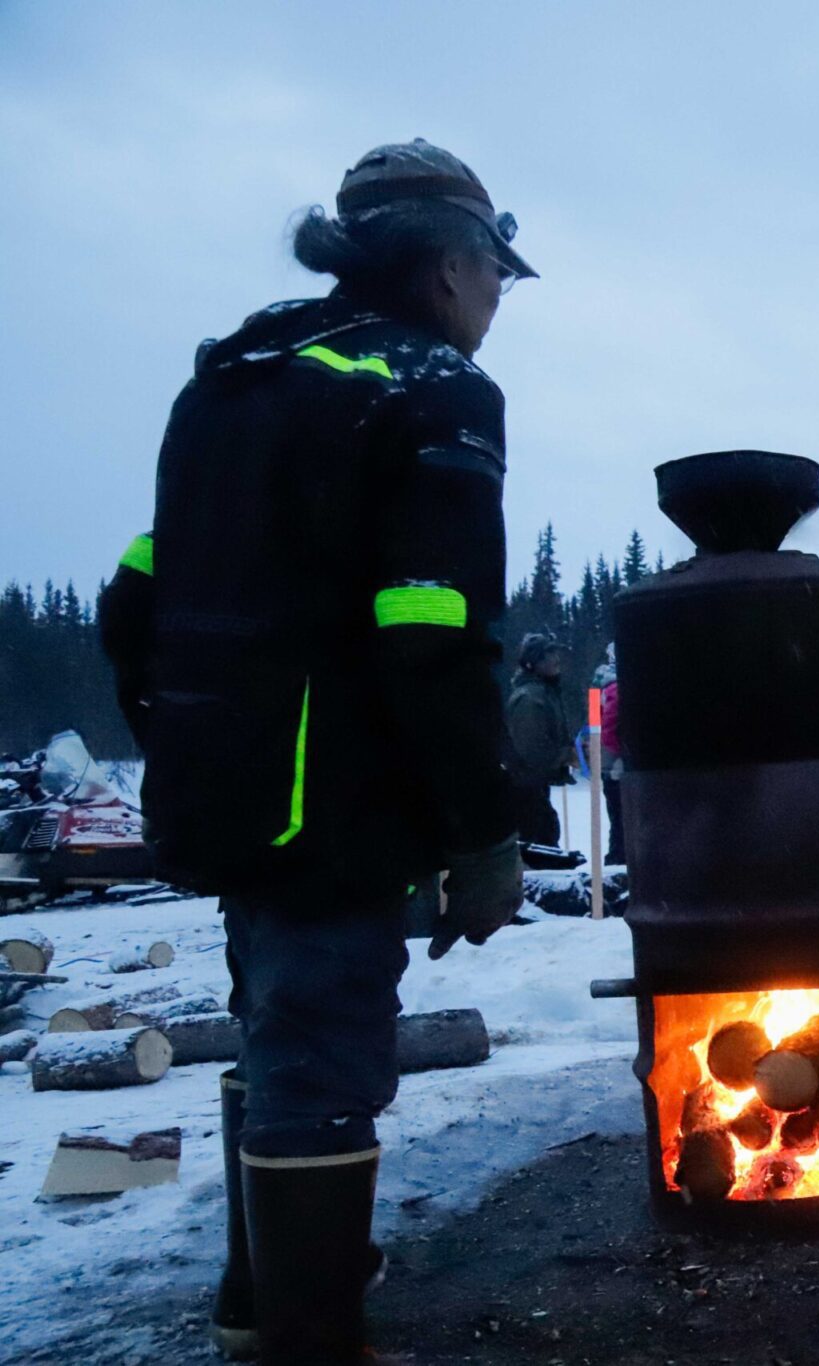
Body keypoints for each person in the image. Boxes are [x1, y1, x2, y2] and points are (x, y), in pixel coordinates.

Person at [97, 138, 533, 1363]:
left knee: (278, 1024)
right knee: (324, 1049)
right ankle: (310, 1339)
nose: (499, 300)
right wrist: (481, 825)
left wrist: (186, 729)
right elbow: (430, 631)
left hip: (224, 787)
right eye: (496, 272)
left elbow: (135, 593)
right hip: (336, 801)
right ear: (448, 265)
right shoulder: (428, 387)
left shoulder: (238, 375)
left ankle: (259, 1296)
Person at [506, 633, 576, 847]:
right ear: (533, 663)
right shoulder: (530, 698)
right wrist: (566, 755)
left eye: (555, 653)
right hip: (524, 789)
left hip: (534, 787)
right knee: (540, 840)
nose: (556, 659)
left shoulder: (545, 693)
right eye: (548, 655)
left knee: (546, 833)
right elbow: (531, 750)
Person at [597, 644, 625, 865]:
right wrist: (620, 755)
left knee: (619, 823)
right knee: (622, 825)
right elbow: (608, 727)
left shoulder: (604, 683)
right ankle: (617, 868)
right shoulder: (617, 685)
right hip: (617, 765)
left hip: (609, 763)